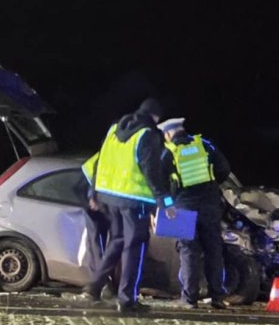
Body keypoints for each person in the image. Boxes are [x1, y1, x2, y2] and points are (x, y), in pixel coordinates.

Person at [81, 98, 175, 313]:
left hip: (109, 198)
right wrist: (166, 202)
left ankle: (94, 287)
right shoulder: (148, 135)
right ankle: (127, 300)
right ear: (156, 117)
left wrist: (93, 192)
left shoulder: (114, 129)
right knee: (134, 248)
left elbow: (100, 161)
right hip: (135, 201)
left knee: (117, 241)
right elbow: (152, 172)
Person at [158, 118, 233, 309]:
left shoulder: (168, 153)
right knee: (214, 251)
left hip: (182, 206)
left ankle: (190, 299)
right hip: (210, 205)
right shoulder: (203, 145)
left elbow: (161, 185)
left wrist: (167, 205)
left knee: (188, 252)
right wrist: (212, 186)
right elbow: (224, 169)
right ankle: (217, 297)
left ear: (168, 134)